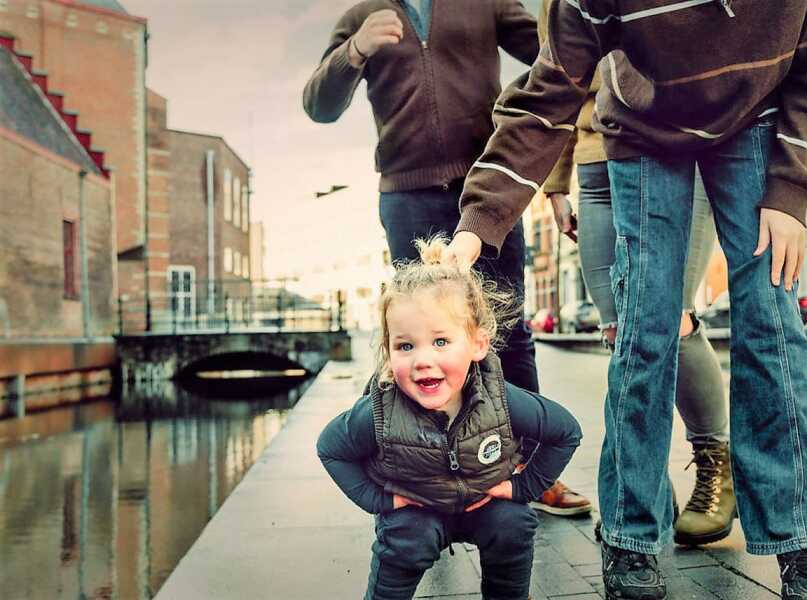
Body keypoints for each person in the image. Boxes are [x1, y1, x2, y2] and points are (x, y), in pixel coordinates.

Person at [445, 1, 807, 599]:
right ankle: (631, 540)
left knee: (771, 320)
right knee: (644, 330)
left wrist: (790, 190)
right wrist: (478, 221)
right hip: (643, 128)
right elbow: (546, 94)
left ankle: (804, 544)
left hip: (759, 111)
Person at [303, 0, 591, 516]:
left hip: (485, 188)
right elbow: (319, 105)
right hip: (406, 195)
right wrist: (355, 50)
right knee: (419, 336)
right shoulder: (361, 16)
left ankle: (527, 468)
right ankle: (419, 470)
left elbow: (560, 54)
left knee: (509, 331)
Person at [535, 0, 735, 548]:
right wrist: (556, 183)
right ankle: (643, 487)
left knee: (669, 317)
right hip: (596, 165)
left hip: (670, 153)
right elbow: (557, 75)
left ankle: (716, 463)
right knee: (620, 330)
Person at [317, 237, 583, 600]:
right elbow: (331, 448)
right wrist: (378, 501)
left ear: (477, 344)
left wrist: (523, 488)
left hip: (484, 502)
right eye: (405, 346)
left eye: (440, 341)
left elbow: (565, 432)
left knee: (514, 523)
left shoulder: (499, 398)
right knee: (407, 538)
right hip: (417, 508)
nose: (422, 359)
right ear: (388, 350)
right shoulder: (381, 409)